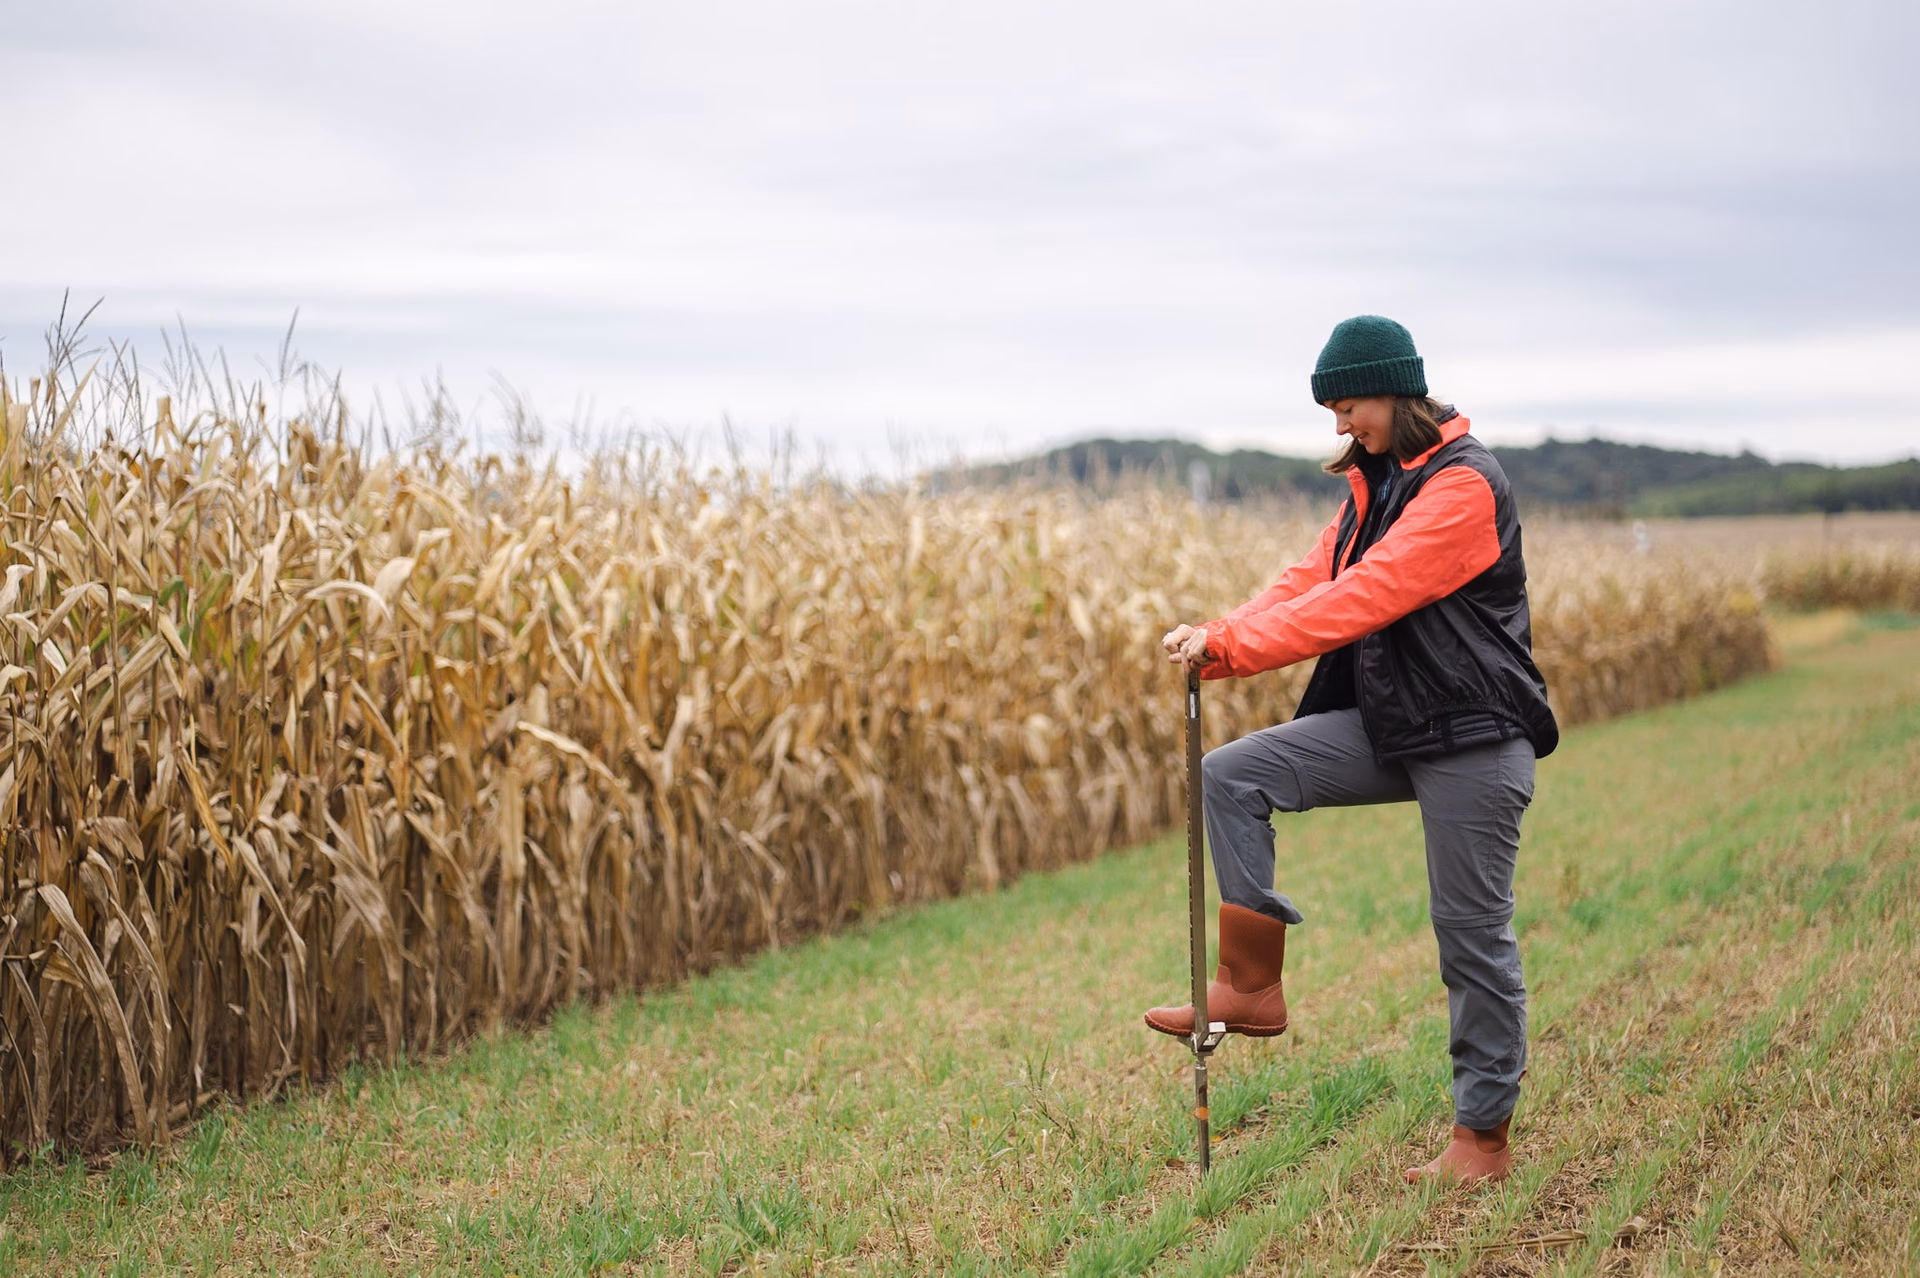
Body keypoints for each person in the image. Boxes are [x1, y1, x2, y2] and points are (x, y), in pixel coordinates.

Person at [1143, 315, 1557, 1185]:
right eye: (1332, 410)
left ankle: (1481, 1140)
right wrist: (1220, 633)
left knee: (1469, 936)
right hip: (1397, 723)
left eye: (1349, 404)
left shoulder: (1462, 487)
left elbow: (1367, 596)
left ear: (1398, 390)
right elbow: (1311, 580)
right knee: (1232, 774)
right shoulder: (1375, 486)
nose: (1340, 426)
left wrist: (1238, 648)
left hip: (1475, 735)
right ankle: (1251, 986)